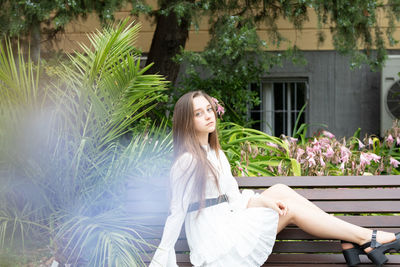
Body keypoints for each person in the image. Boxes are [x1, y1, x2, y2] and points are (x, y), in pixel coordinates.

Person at [149, 90, 400, 267]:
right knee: (288, 209)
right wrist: (160, 260)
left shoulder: (216, 153)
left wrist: (265, 203)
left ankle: (356, 238)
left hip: (229, 221)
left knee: (279, 190)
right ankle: (363, 237)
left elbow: (235, 199)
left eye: (209, 109)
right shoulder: (186, 161)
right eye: (198, 113)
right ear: (187, 122)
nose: (208, 115)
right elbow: (177, 213)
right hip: (217, 243)